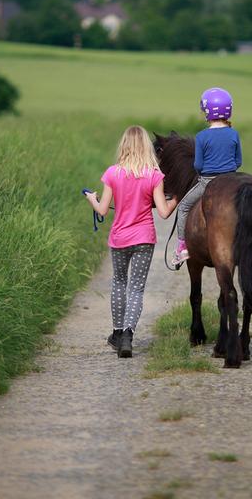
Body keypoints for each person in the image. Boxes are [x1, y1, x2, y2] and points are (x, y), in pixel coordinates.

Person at [85, 125, 178, 358]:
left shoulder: (113, 173)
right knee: (136, 288)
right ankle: (128, 335)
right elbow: (165, 212)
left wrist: (92, 199)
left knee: (118, 283)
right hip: (144, 239)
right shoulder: (155, 176)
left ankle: (117, 334)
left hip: (119, 239)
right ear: (146, 146)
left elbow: (103, 211)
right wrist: (176, 198)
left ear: (124, 145)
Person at [173, 87, 242, 266]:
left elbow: (198, 165)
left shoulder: (202, 136)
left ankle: (182, 247)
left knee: (183, 207)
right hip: (231, 180)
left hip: (207, 182)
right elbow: (238, 161)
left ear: (207, 112)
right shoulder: (234, 133)